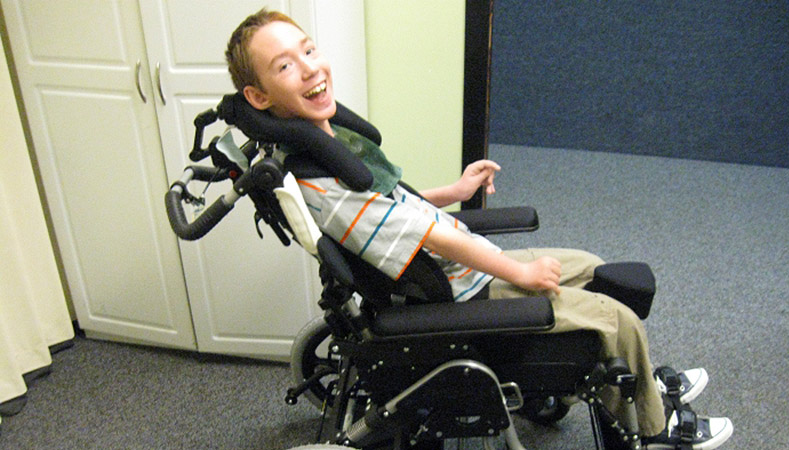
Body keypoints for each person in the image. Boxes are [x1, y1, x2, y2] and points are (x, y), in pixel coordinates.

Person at [225, 9, 733, 449]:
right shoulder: (326, 186)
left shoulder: (325, 148)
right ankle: (653, 426)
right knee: (615, 319)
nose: (310, 66)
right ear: (259, 96)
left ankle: (639, 379)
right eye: (285, 65)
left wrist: (453, 190)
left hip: (460, 269)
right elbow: (427, 237)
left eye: (308, 49)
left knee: (594, 268)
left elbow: (399, 205)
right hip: (460, 295)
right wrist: (521, 271)